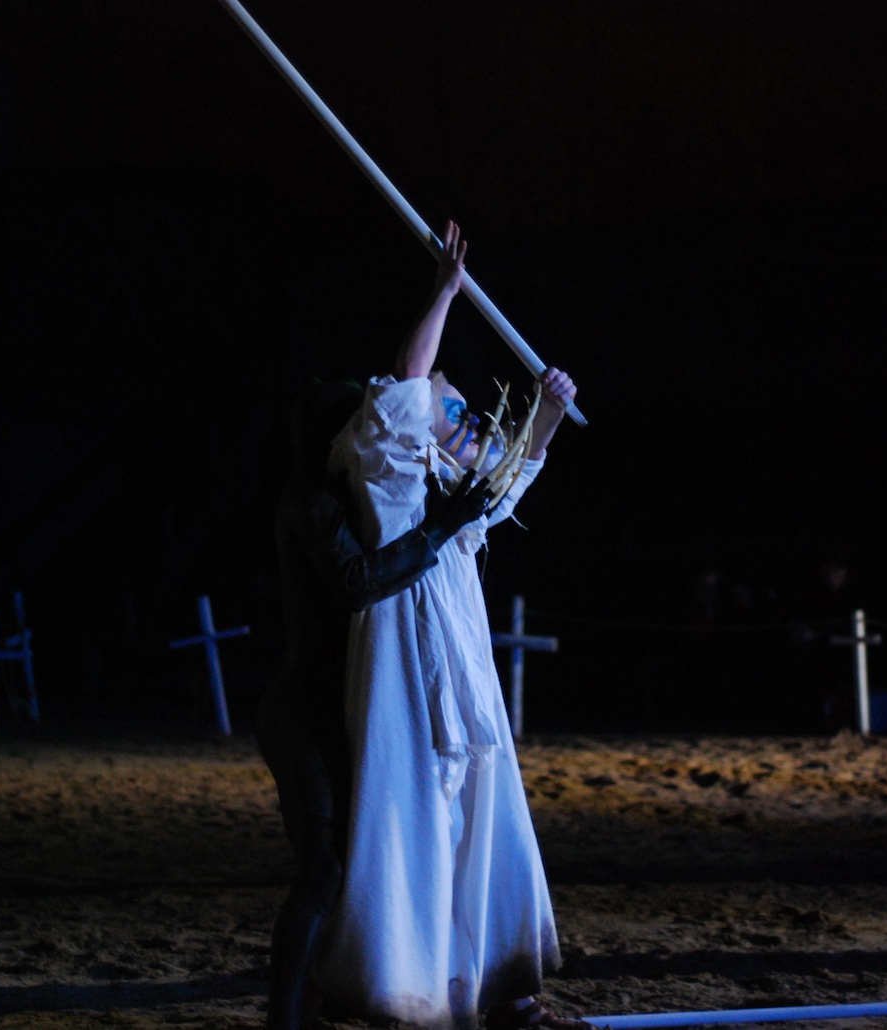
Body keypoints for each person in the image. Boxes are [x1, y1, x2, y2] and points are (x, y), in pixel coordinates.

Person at [315, 222, 588, 1030]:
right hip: (404, 657)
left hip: (460, 663)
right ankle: (404, 991)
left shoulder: (456, 503)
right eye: (454, 409)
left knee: (484, 820)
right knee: (412, 819)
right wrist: (443, 292)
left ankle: (506, 990)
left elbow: (505, 484)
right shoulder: (388, 474)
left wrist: (545, 413)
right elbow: (408, 385)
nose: (468, 420)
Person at [259, 379, 494, 1030]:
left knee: (352, 862)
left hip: (336, 705)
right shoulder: (310, 499)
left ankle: (320, 1001)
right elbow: (355, 582)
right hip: (305, 711)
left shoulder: (347, 497)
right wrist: (442, 525)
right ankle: (284, 1019)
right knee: (323, 869)